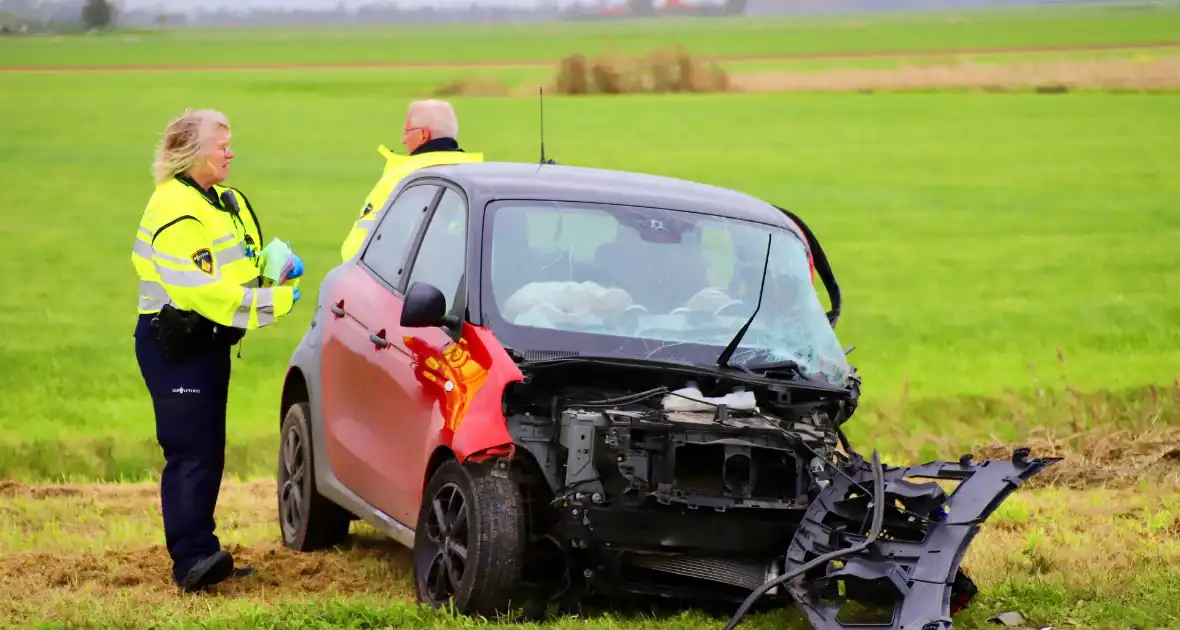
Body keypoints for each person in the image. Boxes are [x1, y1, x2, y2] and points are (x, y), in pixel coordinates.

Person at [130, 108, 305, 593]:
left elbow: (242, 265)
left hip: (208, 344)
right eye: (221, 144)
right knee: (190, 451)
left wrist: (275, 268)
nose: (230, 152)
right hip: (175, 345)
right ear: (191, 153)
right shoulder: (174, 209)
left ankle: (204, 552)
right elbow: (202, 294)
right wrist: (279, 300)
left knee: (208, 448)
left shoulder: (225, 200)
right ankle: (190, 561)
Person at [339, 99, 484, 261]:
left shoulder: (401, 181)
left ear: (423, 135)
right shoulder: (482, 176)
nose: (403, 139)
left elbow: (356, 251)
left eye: (407, 131)